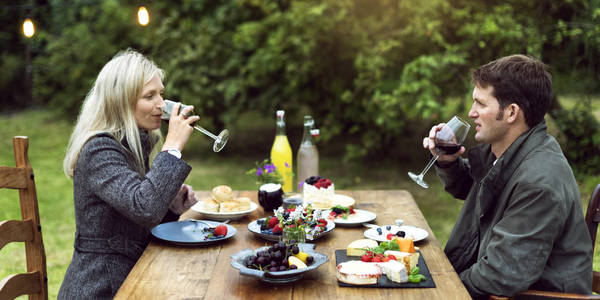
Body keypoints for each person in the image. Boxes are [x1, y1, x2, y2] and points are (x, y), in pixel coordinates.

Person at [424, 55, 593, 298]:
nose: (472, 113)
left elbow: (501, 275)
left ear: (512, 112)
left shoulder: (539, 182)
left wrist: (444, 287)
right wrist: (448, 162)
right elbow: (477, 190)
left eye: (481, 104)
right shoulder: (508, 153)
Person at [58, 49, 199, 299]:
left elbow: (139, 220)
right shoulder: (99, 150)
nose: (162, 105)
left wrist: (172, 209)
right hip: (101, 287)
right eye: (149, 96)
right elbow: (144, 208)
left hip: (131, 277)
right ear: (120, 101)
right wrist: (173, 147)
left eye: (161, 94)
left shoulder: (131, 145)